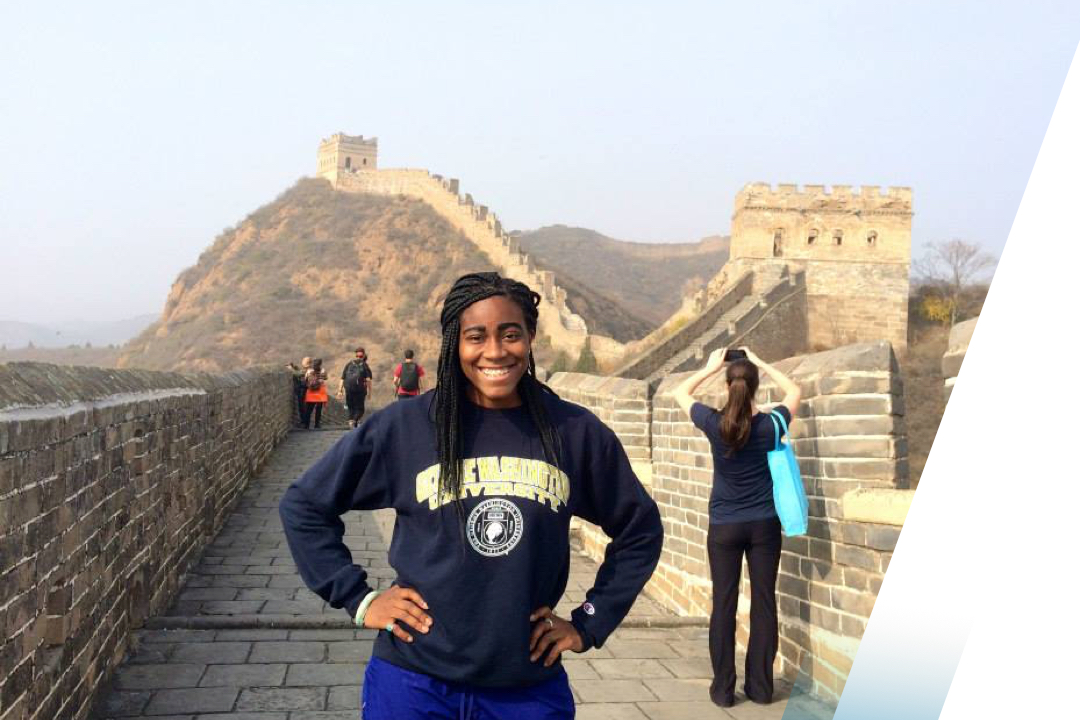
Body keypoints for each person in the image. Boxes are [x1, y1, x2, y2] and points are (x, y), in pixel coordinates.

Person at [279, 272, 664, 720]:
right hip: (413, 682)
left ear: (531, 338)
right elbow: (304, 505)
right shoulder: (407, 427)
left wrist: (589, 623)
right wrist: (359, 598)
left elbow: (640, 530)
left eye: (511, 334)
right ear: (454, 344)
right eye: (476, 336)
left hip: (526, 687)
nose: (495, 351)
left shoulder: (573, 432)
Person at [672, 346, 801, 707]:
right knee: (764, 602)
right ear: (756, 386)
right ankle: (760, 689)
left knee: (723, 604)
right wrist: (760, 362)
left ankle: (723, 691)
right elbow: (795, 391)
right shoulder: (773, 424)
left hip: (724, 526)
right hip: (764, 526)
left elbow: (679, 392)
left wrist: (711, 367)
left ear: (728, 386)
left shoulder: (716, 424)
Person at [337, 346, 373, 428]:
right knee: (360, 409)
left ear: (355, 355)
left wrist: (340, 391)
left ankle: (351, 421)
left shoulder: (349, 364)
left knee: (351, 407)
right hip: (360, 390)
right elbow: (368, 380)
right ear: (363, 356)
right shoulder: (365, 365)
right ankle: (354, 421)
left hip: (349, 389)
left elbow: (342, 378)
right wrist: (370, 392)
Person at [303, 358, 329, 430]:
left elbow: (305, 379)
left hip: (311, 393)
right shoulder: (323, 371)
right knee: (318, 410)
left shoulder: (309, 371)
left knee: (308, 410)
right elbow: (326, 378)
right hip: (320, 394)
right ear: (320, 364)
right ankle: (317, 424)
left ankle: (306, 425)